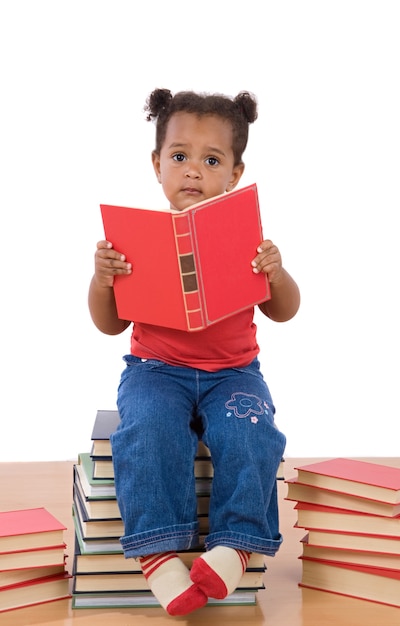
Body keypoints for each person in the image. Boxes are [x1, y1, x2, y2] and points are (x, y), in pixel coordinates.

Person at [88, 88, 300, 616]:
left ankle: (238, 542)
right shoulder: (134, 242)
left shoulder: (246, 239)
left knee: (253, 433)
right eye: (179, 156)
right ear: (156, 163)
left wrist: (275, 273)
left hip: (234, 374)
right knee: (148, 430)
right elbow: (109, 325)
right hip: (156, 370)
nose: (193, 171)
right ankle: (158, 551)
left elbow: (285, 311)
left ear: (235, 172)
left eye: (212, 160)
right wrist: (102, 279)